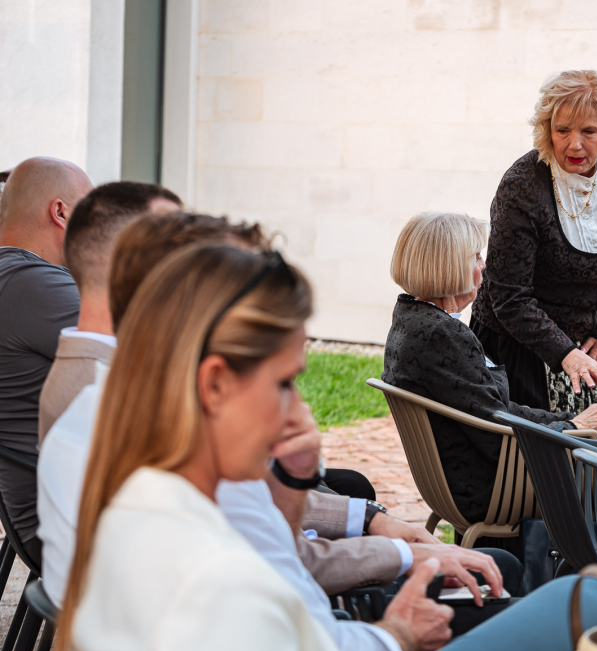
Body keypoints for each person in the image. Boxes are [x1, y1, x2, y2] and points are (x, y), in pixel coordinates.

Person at [56, 242, 597, 651]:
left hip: (356, 630)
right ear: (214, 383)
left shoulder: (142, 493)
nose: (300, 415)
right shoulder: (218, 581)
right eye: (284, 384)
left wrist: (308, 502)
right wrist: (398, 635)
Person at [39, 211, 515, 611]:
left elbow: (274, 537)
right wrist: (399, 621)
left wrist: (367, 520)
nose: (297, 413)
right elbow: (290, 567)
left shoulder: (118, 407)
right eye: (279, 384)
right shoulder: (172, 447)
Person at [384, 212, 597, 526]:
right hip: (500, 483)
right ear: (448, 266)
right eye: (476, 258)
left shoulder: (413, 321)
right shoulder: (441, 334)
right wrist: (573, 427)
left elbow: (492, 410)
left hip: (483, 476)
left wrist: (567, 421)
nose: (484, 267)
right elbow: (494, 431)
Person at [470, 70, 597, 415]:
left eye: (589, 131)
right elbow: (509, 295)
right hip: (518, 347)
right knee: (533, 462)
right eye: (563, 130)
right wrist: (564, 353)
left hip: (590, 347)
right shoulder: (522, 186)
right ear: (548, 130)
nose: (575, 144)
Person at [0, 156, 92, 561]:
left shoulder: (16, 277)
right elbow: (160, 363)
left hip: (45, 515)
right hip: (68, 528)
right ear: (61, 212)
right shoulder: (33, 283)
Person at [38, 181, 182, 440]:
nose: (192, 260)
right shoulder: (97, 392)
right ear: (128, 263)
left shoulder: (107, 364)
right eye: (174, 244)